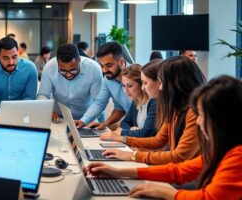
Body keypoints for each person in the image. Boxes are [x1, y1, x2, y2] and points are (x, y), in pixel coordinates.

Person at [87, 76, 242, 200]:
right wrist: (118, 172)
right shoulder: (221, 151)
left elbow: (208, 197)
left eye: (202, 115)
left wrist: (164, 192)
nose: (199, 121)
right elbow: (179, 171)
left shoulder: (238, 156)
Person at [101, 56, 205, 165]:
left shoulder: (195, 112)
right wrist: (123, 140)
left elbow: (179, 156)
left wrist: (132, 155)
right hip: (179, 170)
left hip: (191, 176)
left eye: (161, 83)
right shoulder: (174, 109)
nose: (160, 88)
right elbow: (158, 140)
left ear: (175, 84)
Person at [37, 44, 103, 122]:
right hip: (59, 117)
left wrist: (86, 120)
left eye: (73, 70)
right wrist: (47, 110)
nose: (68, 74)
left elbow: (98, 101)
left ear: (79, 60)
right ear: (57, 62)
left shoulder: (94, 69)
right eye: (63, 71)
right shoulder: (49, 67)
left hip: (87, 116)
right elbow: (43, 94)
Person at [76, 42, 132, 130]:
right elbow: (101, 103)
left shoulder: (139, 77)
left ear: (121, 62)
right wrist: (84, 121)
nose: (105, 70)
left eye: (109, 65)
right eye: (101, 66)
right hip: (132, 128)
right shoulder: (108, 79)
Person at [101, 64, 157, 138]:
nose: (125, 91)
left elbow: (146, 133)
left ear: (141, 84)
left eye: (130, 86)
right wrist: (132, 130)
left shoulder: (154, 102)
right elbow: (125, 123)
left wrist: (123, 132)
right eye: (123, 86)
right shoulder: (136, 100)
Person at [0, 37, 38, 106]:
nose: (11, 62)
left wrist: (15, 112)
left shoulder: (30, 68)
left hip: (23, 112)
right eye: (6, 58)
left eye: (14, 57)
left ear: (18, 53)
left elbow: (30, 97)